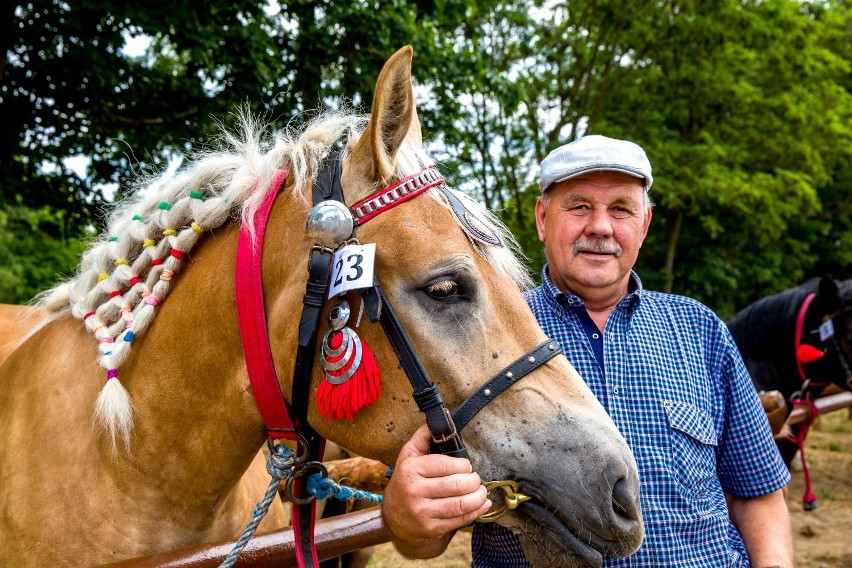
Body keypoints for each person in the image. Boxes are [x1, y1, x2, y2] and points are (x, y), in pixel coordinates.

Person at [380, 135, 794, 567]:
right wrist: (405, 513)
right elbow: (420, 538)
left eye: (621, 209)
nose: (600, 226)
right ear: (543, 219)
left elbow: (758, 494)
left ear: (644, 224)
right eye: (579, 206)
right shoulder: (471, 328)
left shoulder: (701, 330)